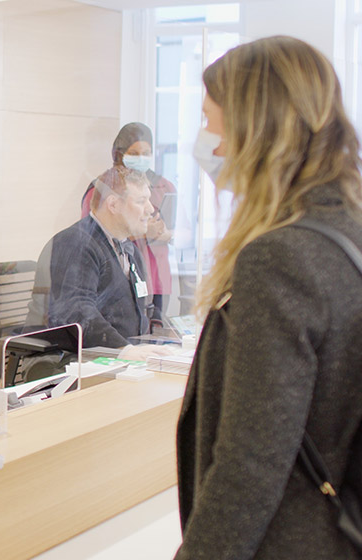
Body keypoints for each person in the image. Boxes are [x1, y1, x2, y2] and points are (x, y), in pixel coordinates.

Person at [176, 36, 362, 559]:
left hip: (288, 540)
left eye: (212, 122)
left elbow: (250, 462)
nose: (207, 143)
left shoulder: (278, 259)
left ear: (254, 129)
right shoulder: (346, 232)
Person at [27, 166, 171, 360]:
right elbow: (76, 312)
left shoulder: (129, 249)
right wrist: (125, 350)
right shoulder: (76, 244)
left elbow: (142, 309)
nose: (151, 209)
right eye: (141, 201)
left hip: (116, 358)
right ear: (113, 205)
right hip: (70, 362)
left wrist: (164, 338)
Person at [81, 122, 176, 319]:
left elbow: (184, 231)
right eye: (135, 153)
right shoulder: (103, 188)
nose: (141, 158)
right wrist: (141, 232)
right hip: (115, 281)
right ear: (119, 152)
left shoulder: (162, 186)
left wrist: (163, 233)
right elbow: (90, 234)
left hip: (155, 277)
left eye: (146, 152)